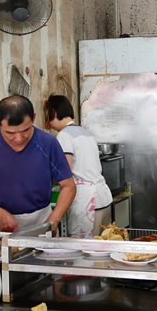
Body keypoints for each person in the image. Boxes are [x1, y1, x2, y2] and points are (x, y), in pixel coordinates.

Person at [0, 95, 76, 234]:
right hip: (3, 228)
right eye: (10, 133)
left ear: (34, 118)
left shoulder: (48, 143)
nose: (18, 138)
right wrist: (1, 215)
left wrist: (54, 220)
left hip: (42, 223)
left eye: (25, 130)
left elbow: (69, 186)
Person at [44, 94, 112, 238]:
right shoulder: (87, 133)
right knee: (101, 245)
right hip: (102, 197)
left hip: (86, 201)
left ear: (54, 113)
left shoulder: (64, 135)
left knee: (83, 251)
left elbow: (65, 171)